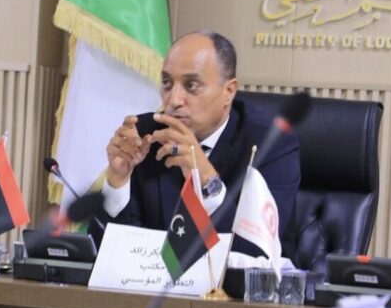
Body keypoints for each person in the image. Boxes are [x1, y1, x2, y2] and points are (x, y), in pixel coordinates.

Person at [89, 31, 301, 259]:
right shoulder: (146, 135)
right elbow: (110, 256)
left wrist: (207, 180)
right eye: (167, 83)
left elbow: (254, 255)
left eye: (191, 85)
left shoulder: (270, 145)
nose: (174, 100)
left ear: (229, 91)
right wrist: (117, 182)